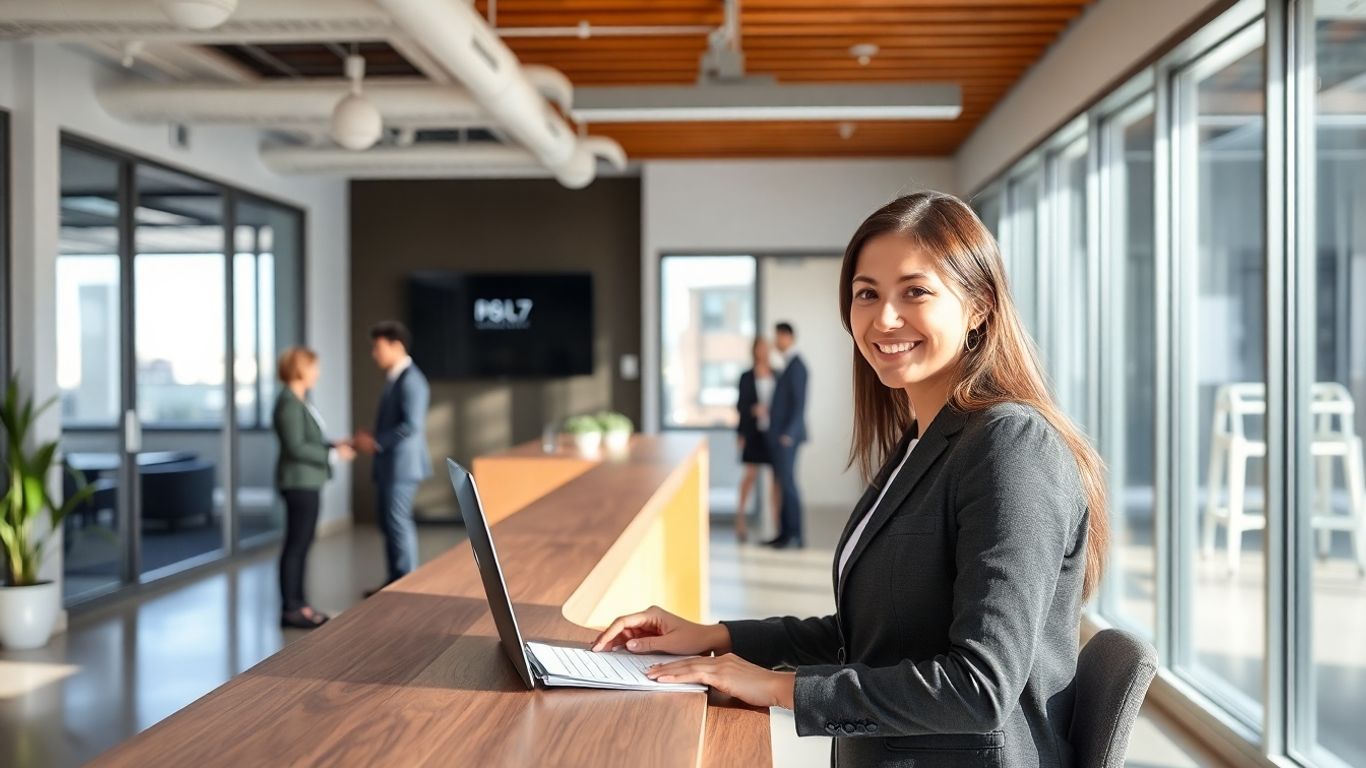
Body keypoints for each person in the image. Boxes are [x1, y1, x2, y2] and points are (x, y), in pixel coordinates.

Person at [592, 192, 1109, 767]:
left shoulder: (1011, 445)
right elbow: (869, 634)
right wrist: (717, 636)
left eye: (915, 291)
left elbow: (979, 689)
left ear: (980, 305)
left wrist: (777, 688)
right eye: (867, 294)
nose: (883, 319)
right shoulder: (923, 440)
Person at [273, 346, 354, 629]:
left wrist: (334, 445)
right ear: (300, 369)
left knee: (302, 545)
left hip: (308, 482)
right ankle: (291, 608)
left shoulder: (300, 401)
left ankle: (300, 604)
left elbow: (308, 440)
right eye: (314, 367)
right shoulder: (288, 403)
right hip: (299, 484)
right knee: (296, 546)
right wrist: (333, 455)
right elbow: (296, 447)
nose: (318, 373)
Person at [353, 321, 431, 594]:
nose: (374, 353)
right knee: (390, 524)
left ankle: (406, 587)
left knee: (397, 524)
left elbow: (411, 425)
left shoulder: (411, 380)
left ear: (396, 346)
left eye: (378, 347)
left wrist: (375, 441)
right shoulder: (396, 378)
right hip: (391, 465)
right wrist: (375, 434)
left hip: (402, 466)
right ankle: (395, 582)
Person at [763, 321, 808, 549]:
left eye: (777, 336)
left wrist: (789, 433)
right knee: (781, 484)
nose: (775, 341)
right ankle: (783, 534)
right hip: (779, 436)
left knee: (788, 484)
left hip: (787, 438)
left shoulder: (797, 366)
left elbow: (799, 404)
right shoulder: (786, 365)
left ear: (787, 337)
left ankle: (795, 536)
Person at [735, 336, 781, 543]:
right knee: (750, 477)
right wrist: (742, 431)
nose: (762, 352)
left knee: (776, 481)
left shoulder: (777, 375)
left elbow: (783, 404)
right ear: (754, 351)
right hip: (753, 433)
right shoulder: (746, 376)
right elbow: (740, 407)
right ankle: (740, 521)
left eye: (765, 348)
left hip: (772, 434)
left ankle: (777, 525)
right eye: (759, 348)